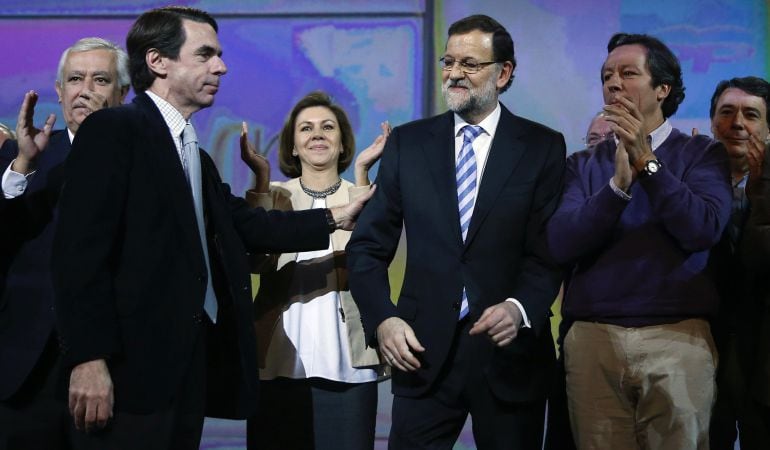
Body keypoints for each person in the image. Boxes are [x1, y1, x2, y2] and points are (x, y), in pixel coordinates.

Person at [50, 7, 372, 449]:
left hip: (186, 372)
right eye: (205, 55)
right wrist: (87, 359)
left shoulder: (191, 151)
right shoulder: (115, 129)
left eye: (218, 55)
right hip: (131, 378)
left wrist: (335, 217)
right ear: (158, 62)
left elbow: (245, 224)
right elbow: (78, 255)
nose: (220, 66)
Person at [347, 14, 566, 449]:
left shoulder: (543, 146)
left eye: (470, 63)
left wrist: (521, 308)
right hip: (421, 353)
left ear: (503, 73)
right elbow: (367, 248)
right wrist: (384, 320)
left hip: (509, 356)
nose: (454, 74)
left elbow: (548, 251)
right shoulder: (408, 144)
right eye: (449, 62)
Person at [546, 32, 732, 450]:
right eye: (607, 75)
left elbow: (701, 228)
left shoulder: (702, 155)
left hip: (678, 338)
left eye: (628, 73)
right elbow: (560, 242)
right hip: (593, 340)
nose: (613, 83)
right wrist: (616, 189)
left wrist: (647, 164)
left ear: (663, 89)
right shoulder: (581, 164)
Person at [239, 91, 389, 450]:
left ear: (342, 143)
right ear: (293, 146)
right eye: (306, 129)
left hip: (347, 364)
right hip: (278, 361)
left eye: (327, 127)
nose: (317, 134)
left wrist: (363, 175)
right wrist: (260, 180)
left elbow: (372, 262)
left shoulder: (364, 192)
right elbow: (255, 262)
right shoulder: (275, 195)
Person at [0, 37, 130, 449]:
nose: (85, 89)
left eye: (100, 79)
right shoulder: (22, 157)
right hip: (23, 368)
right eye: (75, 79)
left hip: (113, 369)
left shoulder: (147, 161)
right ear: (59, 90)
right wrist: (21, 166)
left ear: (123, 93)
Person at [708, 76, 770, 450]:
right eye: (727, 112)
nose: (738, 124)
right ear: (713, 121)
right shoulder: (686, 183)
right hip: (701, 345)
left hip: (760, 358)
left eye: (751, 114)